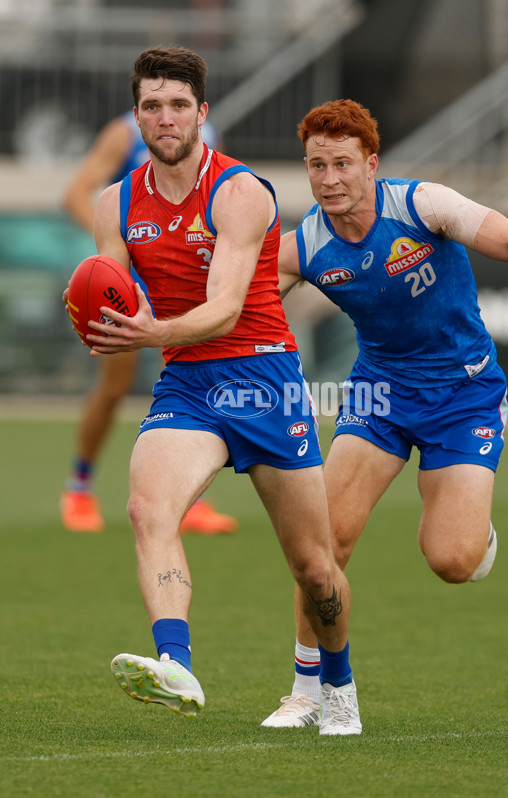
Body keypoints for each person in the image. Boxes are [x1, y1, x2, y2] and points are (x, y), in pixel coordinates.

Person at [261, 98, 508, 728]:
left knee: (452, 560)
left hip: (465, 395)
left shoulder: (422, 206)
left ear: (371, 164)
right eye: (317, 166)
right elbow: (235, 307)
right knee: (324, 545)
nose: (329, 178)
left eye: (343, 164)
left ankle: (475, 530)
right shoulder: (303, 247)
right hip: (378, 397)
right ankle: (307, 690)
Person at [72, 47, 361, 735]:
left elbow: (225, 309)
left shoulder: (239, 192)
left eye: (179, 105)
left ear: (201, 112)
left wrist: (149, 333)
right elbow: (114, 292)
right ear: (136, 116)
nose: (165, 118)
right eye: (152, 106)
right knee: (147, 509)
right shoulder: (116, 203)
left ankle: (338, 686)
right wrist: (97, 314)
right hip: (187, 383)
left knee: (315, 568)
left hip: (263, 378)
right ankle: (176, 663)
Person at [60, 108, 237, 536]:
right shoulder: (124, 133)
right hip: (129, 280)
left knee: (192, 383)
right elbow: (76, 195)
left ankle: (192, 500)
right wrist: (112, 249)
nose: (167, 110)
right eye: (155, 98)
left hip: (180, 278)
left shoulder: (208, 133)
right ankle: (79, 488)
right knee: (114, 386)